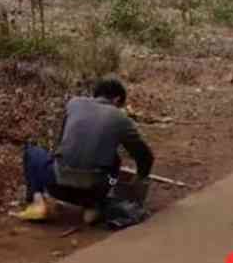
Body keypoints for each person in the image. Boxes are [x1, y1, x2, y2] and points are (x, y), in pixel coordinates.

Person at [18, 76, 154, 224]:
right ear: (117, 99)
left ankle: (38, 201)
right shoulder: (120, 118)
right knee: (114, 159)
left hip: (56, 186)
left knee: (31, 151)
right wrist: (140, 179)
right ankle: (94, 206)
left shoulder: (74, 103)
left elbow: (61, 144)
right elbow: (145, 156)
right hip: (93, 190)